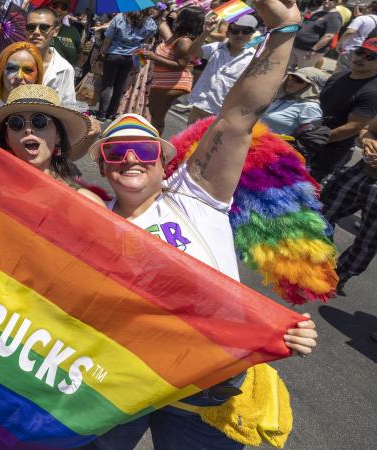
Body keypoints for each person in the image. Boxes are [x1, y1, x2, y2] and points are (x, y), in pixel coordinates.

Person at [85, 0, 318, 447]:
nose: (130, 158)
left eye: (143, 149)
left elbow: (236, 119)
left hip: (207, 392)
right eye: (116, 152)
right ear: (104, 166)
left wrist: (285, 30)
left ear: (162, 159)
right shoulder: (93, 220)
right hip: (122, 382)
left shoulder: (196, 195)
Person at [0, 84, 105, 205]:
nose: (28, 129)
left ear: (58, 136)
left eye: (39, 121)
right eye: (16, 123)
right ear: (7, 138)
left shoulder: (85, 203)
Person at [321, 114, 377, 295]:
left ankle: (337, 278)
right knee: (323, 212)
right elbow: (367, 130)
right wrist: (368, 141)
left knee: (367, 241)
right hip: (361, 172)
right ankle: (319, 261)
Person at [310, 37, 377, 181]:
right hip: (308, 137)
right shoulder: (340, 75)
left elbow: (353, 127)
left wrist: (318, 140)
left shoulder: (373, 91)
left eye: (370, 57)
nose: (360, 58)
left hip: (329, 149)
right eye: (360, 52)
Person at [187, 14, 259, 124]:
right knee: (188, 141)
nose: (239, 35)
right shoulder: (217, 47)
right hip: (199, 106)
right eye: (235, 30)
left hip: (222, 115)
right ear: (228, 32)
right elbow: (192, 51)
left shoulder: (253, 59)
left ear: (251, 35)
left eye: (245, 31)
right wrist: (205, 32)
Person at [143, 5, 204, 132]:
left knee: (157, 118)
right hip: (163, 81)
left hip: (172, 83)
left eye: (179, 14)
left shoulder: (184, 41)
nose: (176, 15)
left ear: (186, 19)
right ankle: (154, 144)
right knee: (155, 115)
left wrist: (154, 57)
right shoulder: (176, 36)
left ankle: (156, 147)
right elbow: (162, 25)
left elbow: (181, 65)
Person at [94, 9, 157, 121]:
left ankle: (101, 114)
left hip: (113, 54)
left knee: (108, 84)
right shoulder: (150, 23)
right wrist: (139, 61)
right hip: (131, 57)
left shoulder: (120, 17)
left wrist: (101, 53)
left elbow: (108, 39)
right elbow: (145, 43)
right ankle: (111, 113)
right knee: (120, 85)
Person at [25, 6, 76, 104]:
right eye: (31, 27)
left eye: (44, 27)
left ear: (55, 31)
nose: (36, 32)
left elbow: (68, 107)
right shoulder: (10, 60)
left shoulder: (65, 69)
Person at [261, 67, 327, 135]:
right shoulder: (282, 98)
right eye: (291, 77)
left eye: (299, 80)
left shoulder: (310, 107)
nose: (290, 82)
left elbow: (309, 136)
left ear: (311, 86)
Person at [290, 0, 342, 68]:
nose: (326, 1)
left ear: (337, 2)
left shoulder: (335, 17)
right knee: (285, 69)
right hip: (296, 46)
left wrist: (313, 49)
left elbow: (329, 36)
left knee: (302, 72)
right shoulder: (319, 13)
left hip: (309, 50)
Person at [334, 1, 377, 72]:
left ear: (369, 9)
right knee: (353, 71)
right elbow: (357, 14)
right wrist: (357, 4)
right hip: (365, 50)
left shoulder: (363, 18)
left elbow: (350, 31)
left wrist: (339, 43)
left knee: (340, 70)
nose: (363, 8)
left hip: (351, 48)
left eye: (365, 7)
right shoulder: (372, 19)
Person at [49, 0, 82, 66]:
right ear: (50, 7)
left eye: (63, 8)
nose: (58, 10)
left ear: (67, 12)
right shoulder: (38, 27)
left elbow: (79, 56)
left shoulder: (72, 31)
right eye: (55, 6)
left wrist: (85, 52)